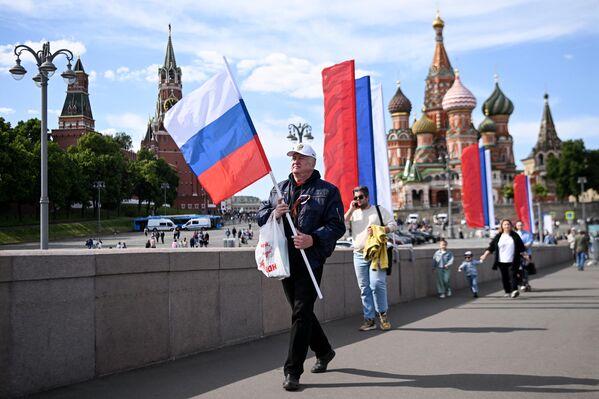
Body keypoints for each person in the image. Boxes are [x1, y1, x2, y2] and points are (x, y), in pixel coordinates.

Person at [256, 143, 345, 391]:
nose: (295, 160)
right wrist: (274, 212)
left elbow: (337, 226)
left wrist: (312, 238)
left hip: (311, 258)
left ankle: (292, 371)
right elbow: (260, 214)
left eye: (301, 157)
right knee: (301, 312)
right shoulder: (279, 189)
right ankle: (325, 351)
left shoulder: (328, 191)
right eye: (293, 157)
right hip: (285, 258)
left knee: (300, 311)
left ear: (312, 163)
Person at [344, 185, 397, 331]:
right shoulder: (353, 212)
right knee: (364, 288)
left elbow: (393, 225)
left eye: (361, 197)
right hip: (358, 254)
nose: (358, 200)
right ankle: (369, 320)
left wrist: (380, 229)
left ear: (367, 197)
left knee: (377, 284)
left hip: (376, 253)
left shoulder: (378, 210)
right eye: (355, 198)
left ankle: (382, 314)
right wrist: (351, 209)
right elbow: (341, 224)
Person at [480, 219, 528, 298]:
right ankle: (507, 291)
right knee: (505, 277)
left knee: (513, 275)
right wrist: (484, 255)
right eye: (505, 224)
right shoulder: (498, 236)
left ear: (511, 226)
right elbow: (491, 247)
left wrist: (526, 256)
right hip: (501, 261)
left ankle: (514, 290)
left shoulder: (515, 235)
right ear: (502, 226)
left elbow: (521, 247)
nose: (507, 226)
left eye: (508, 224)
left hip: (513, 260)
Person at [515, 220, 533, 292]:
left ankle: (525, 283)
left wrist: (523, 246)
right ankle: (522, 283)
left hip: (526, 254)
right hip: (517, 255)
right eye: (518, 225)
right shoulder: (514, 234)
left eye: (521, 225)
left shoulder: (527, 234)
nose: (520, 226)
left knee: (525, 270)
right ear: (516, 226)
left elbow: (530, 242)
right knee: (519, 270)